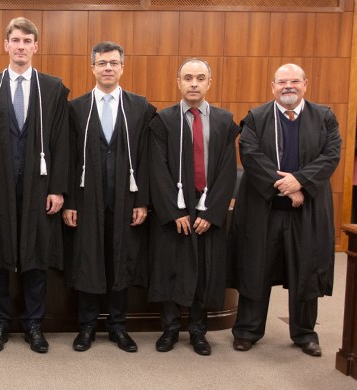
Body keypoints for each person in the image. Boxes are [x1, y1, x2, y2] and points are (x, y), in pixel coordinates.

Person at [0, 17, 69, 354]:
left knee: (36, 253)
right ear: (5, 45)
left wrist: (58, 188)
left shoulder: (54, 89)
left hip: (39, 186)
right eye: (16, 40)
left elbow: (62, 142)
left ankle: (33, 324)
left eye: (28, 41)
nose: (21, 46)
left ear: (36, 47)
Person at [231, 63, 341, 357]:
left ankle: (305, 333)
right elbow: (250, 156)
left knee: (306, 269)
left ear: (305, 84)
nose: (288, 86)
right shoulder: (256, 118)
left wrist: (300, 183)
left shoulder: (324, 117)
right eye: (282, 82)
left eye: (294, 81)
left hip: (308, 208)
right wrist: (286, 187)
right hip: (264, 208)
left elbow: (331, 155)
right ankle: (247, 330)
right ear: (273, 86)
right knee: (256, 269)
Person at [63, 41, 155, 353]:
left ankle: (118, 326)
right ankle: (87, 326)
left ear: (122, 67)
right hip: (87, 199)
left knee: (120, 260)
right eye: (102, 63)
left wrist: (142, 199)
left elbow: (145, 158)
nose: (108, 68)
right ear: (92, 68)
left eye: (114, 63)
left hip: (125, 199)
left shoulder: (139, 107)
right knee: (89, 260)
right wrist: (70, 202)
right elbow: (69, 159)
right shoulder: (76, 108)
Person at [147, 58, 239, 356]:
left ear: (209, 83)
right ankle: (170, 329)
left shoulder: (225, 122)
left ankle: (199, 331)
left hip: (207, 208)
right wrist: (174, 212)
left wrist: (212, 214)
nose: (194, 83)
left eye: (200, 78)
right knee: (173, 269)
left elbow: (228, 170)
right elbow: (157, 170)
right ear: (179, 82)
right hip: (176, 209)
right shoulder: (164, 120)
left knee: (204, 272)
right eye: (188, 78)